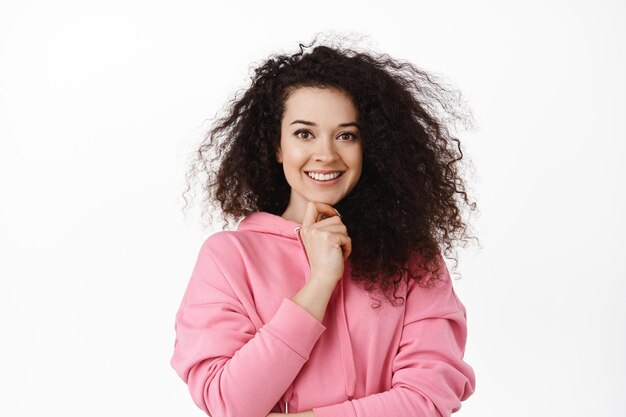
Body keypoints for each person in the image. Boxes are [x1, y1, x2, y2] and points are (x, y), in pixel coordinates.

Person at [170, 34, 478, 417]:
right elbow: (229, 403)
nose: (326, 154)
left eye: (346, 135)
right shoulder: (229, 259)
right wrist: (320, 283)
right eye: (304, 133)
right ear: (277, 146)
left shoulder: (412, 257)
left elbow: (429, 397)